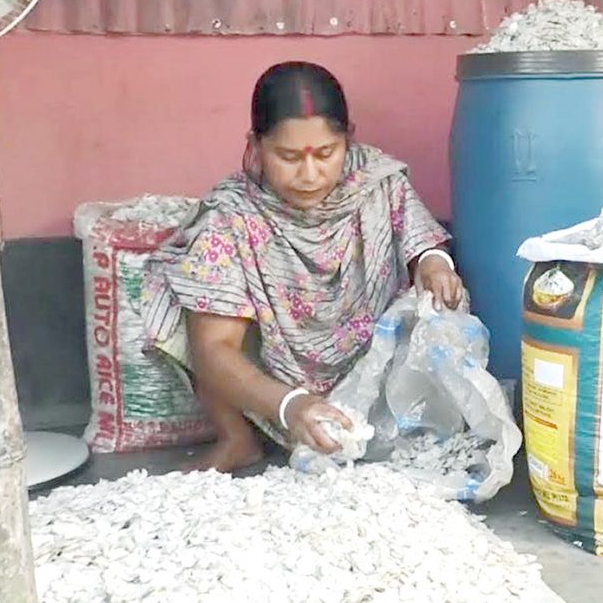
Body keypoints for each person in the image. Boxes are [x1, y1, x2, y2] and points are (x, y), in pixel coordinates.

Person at [143, 61, 464, 473]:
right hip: (272, 375)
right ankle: (237, 437)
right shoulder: (231, 215)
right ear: (256, 146)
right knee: (184, 285)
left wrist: (434, 264)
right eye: (288, 156)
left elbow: (424, 242)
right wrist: (289, 404)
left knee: (447, 296)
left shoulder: (378, 182)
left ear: (348, 141)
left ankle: (387, 427)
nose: (310, 175)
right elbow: (213, 350)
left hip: (369, 357)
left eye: (326, 154)